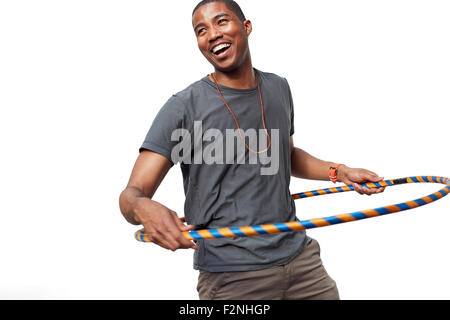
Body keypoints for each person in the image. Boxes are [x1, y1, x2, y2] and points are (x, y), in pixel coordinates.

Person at [119, 0, 385, 300]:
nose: (212, 34)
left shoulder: (278, 88)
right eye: (201, 30)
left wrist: (340, 171)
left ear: (246, 27)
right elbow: (131, 194)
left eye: (221, 21)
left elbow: (284, 154)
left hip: (302, 260)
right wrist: (143, 208)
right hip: (233, 276)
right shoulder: (183, 107)